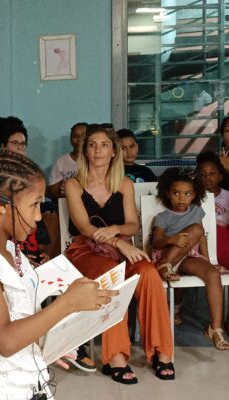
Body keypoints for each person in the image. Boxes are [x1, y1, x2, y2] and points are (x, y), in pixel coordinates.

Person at [0, 151, 116, 400]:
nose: (39, 216)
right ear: (0, 203)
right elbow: (5, 340)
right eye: (34, 204)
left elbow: (21, 318)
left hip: (30, 386)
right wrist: (67, 303)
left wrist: (47, 343)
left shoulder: (9, 251)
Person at [65, 124, 175, 384]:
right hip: (85, 252)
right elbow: (84, 227)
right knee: (111, 275)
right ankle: (115, 356)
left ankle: (162, 353)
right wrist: (120, 243)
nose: (98, 150)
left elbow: (132, 224)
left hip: (119, 248)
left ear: (113, 151)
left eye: (104, 144)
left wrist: (115, 232)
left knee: (148, 272)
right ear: (85, 151)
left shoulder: (124, 183)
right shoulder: (73, 183)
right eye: (92, 144)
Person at [150, 167, 228, 350]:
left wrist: (209, 261)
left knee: (212, 274)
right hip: (165, 254)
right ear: (168, 194)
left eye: (187, 194)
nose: (181, 198)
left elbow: (201, 237)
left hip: (187, 257)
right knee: (196, 229)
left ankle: (215, 329)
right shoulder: (163, 217)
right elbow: (156, 242)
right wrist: (172, 239)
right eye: (176, 193)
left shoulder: (196, 211)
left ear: (194, 195)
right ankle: (165, 265)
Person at [197, 151, 229, 269]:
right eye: (202, 174)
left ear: (220, 176)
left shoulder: (227, 196)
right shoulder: (193, 197)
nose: (207, 178)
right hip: (201, 241)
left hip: (224, 242)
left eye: (212, 173)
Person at [48, 122, 87, 200]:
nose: (79, 139)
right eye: (75, 136)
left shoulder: (95, 160)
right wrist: (71, 198)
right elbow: (53, 192)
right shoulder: (61, 161)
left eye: (83, 136)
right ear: (70, 139)